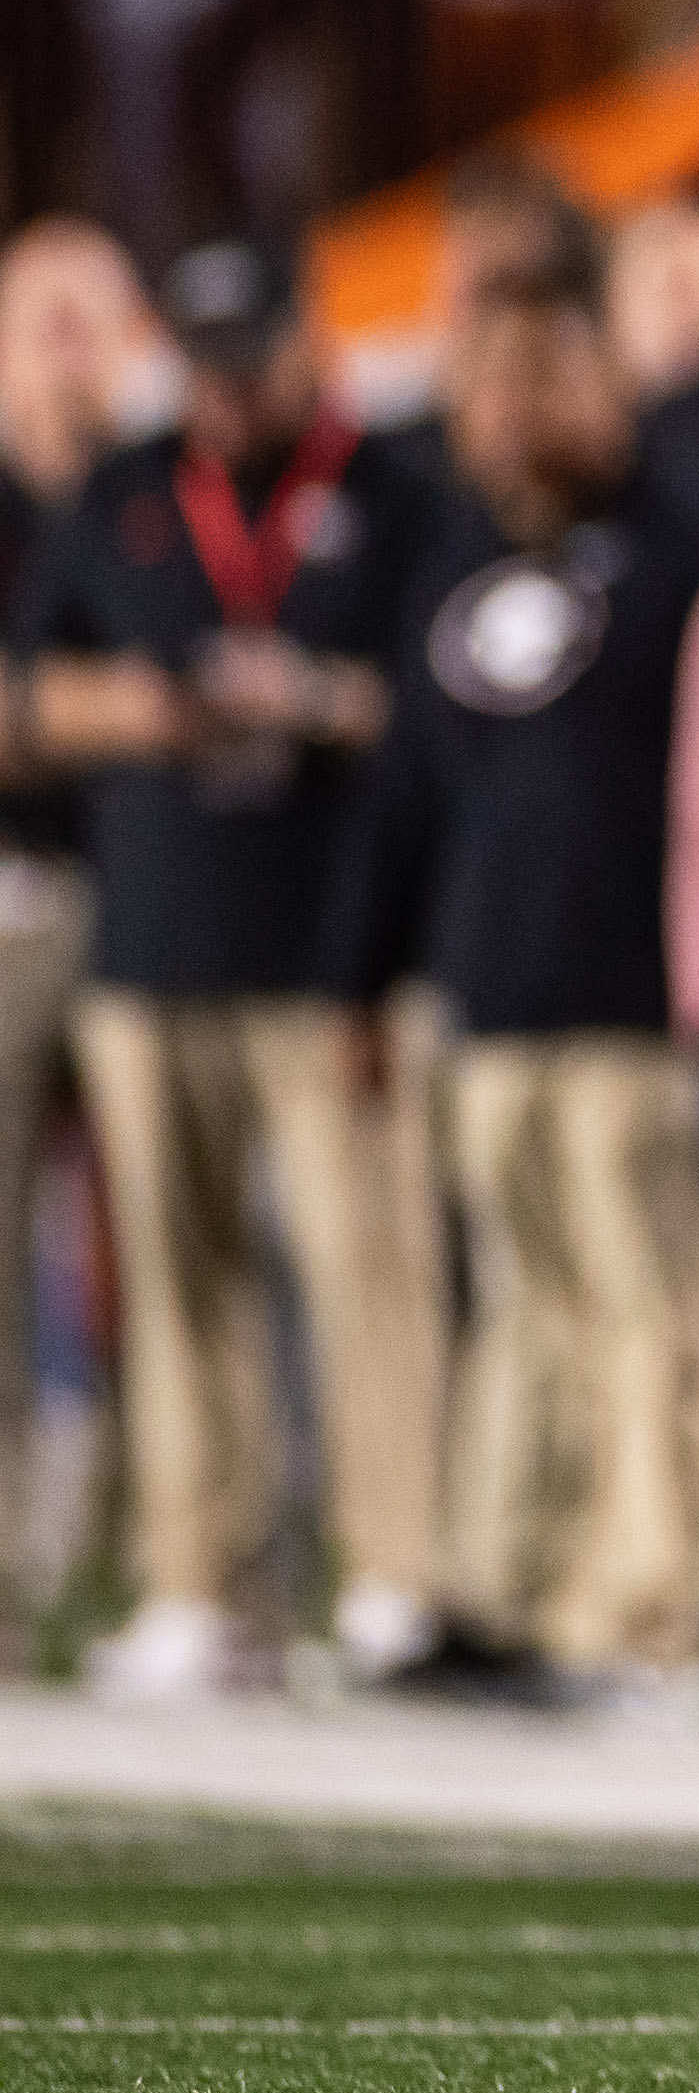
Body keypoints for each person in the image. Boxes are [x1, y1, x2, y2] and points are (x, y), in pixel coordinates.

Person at [12, 232, 453, 1699]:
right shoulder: (129, 493)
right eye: (203, 363)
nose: (226, 391)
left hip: (330, 945)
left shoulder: (392, 489)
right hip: (154, 939)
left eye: (249, 356)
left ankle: (397, 1573)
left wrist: (323, 701)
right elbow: (24, 697)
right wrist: (151, 708)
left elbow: (464, 689)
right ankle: (204, 1583)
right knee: (183, 1283)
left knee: (363, 1269)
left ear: (303, 341)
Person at [352, 255, 699, 1683]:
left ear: (610, 381)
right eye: (490, 383)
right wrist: (368, 976)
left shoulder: (691, 550)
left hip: (632, 998)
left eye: (547, 377)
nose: (515, 411)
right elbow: (410, 786)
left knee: (648, 1306)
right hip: (489, 989)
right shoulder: (454, 558)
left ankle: (646, 1600)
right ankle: (502, 1587)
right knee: (520, 1303)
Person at [0, 221, 156, 1622]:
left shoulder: (154, 492)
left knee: (166, 1239)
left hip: (160, 902)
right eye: (39, 309)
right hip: (11, 900)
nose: (66, 337)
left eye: (90, 312)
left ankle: (150, 1567)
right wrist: (115, 715)